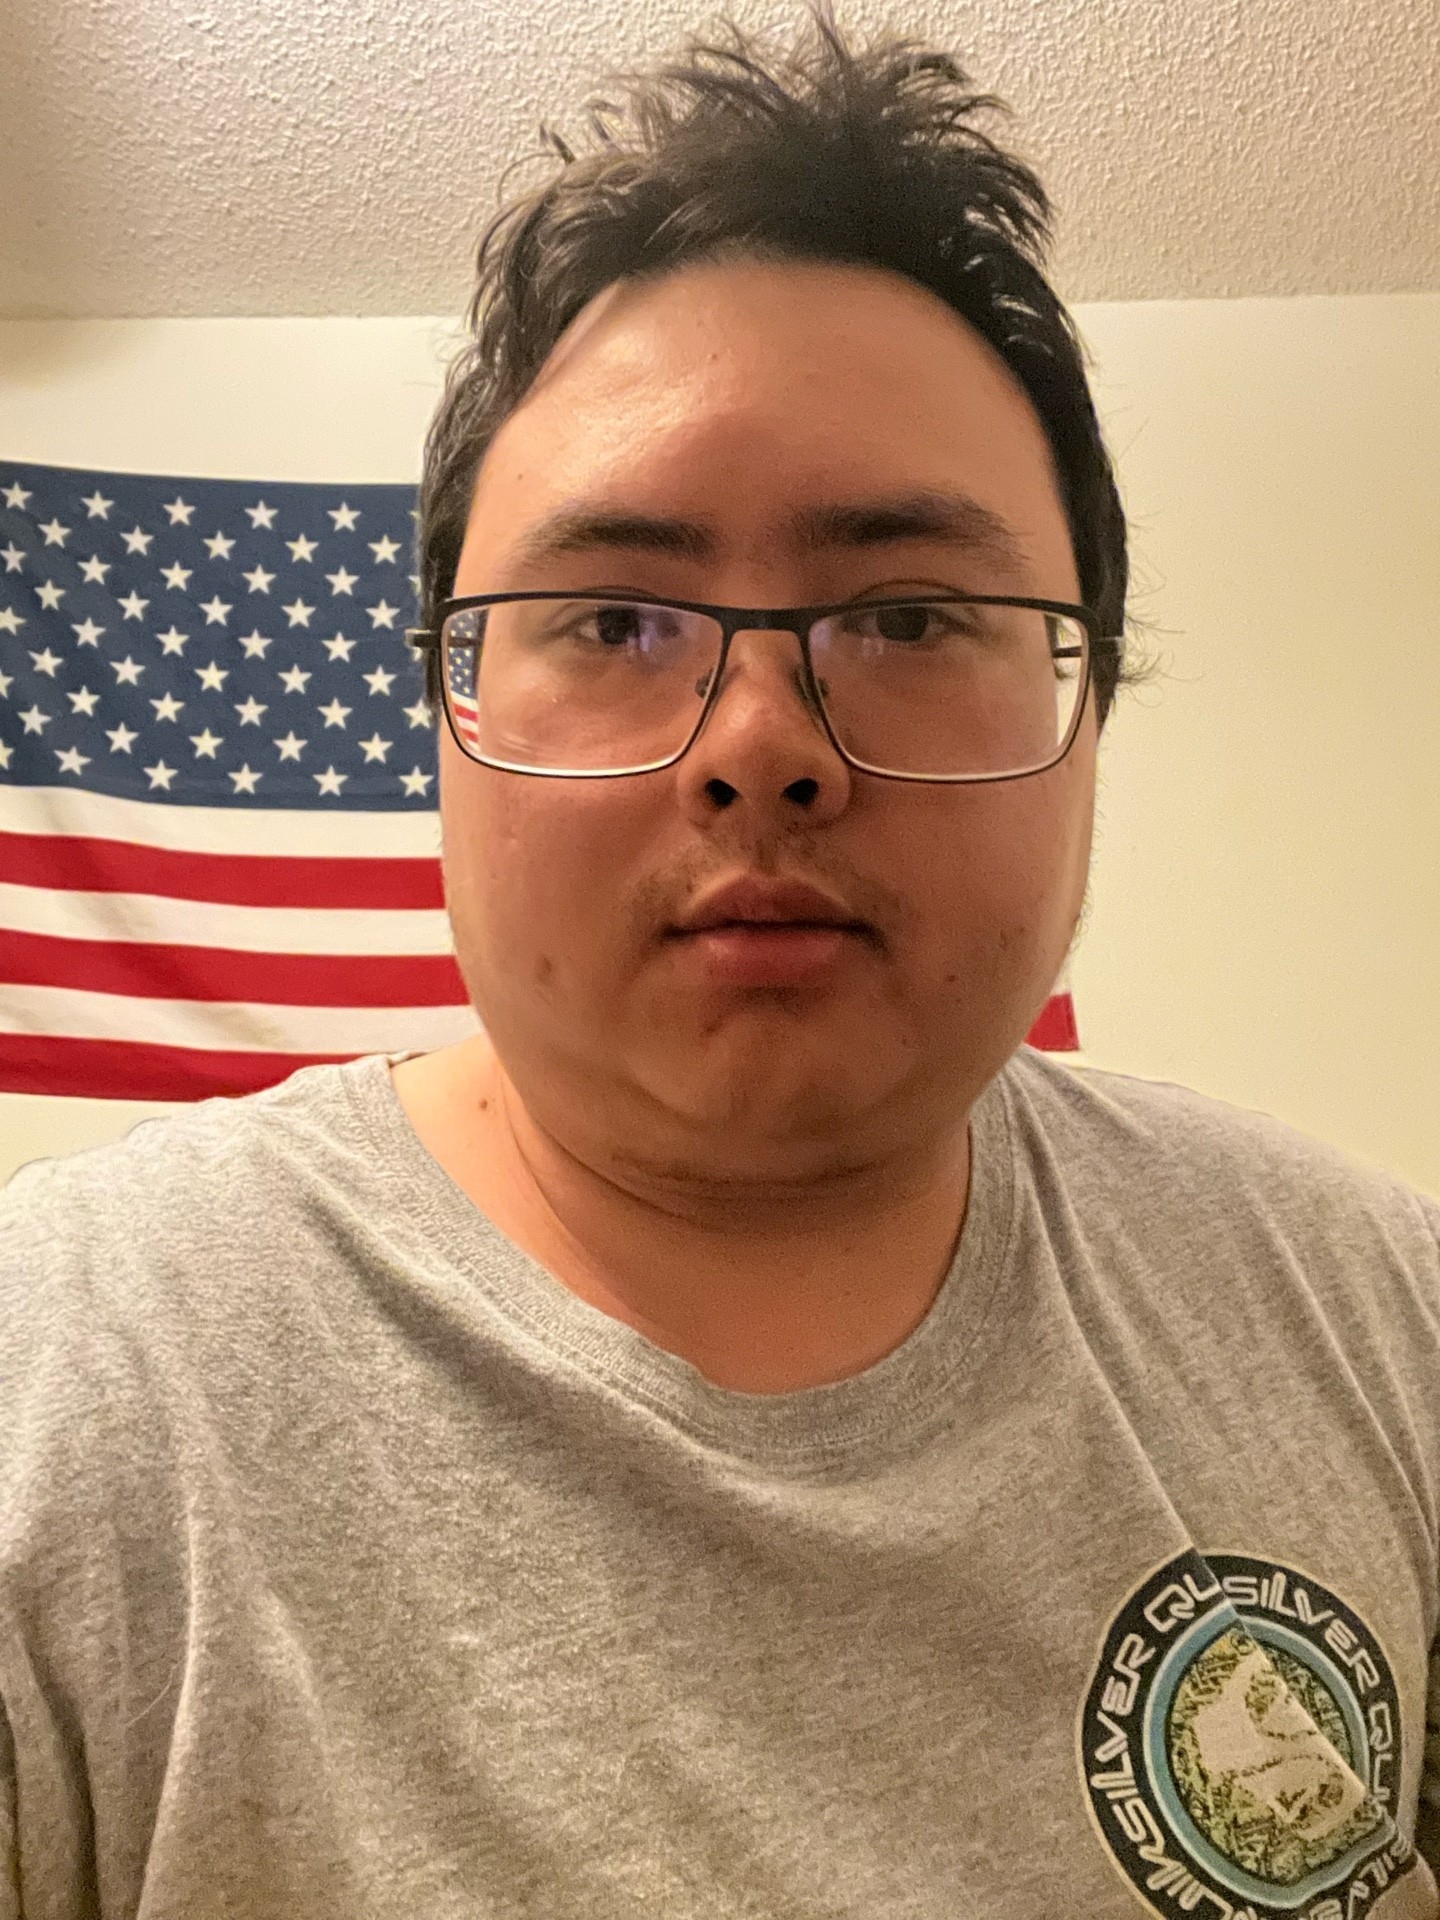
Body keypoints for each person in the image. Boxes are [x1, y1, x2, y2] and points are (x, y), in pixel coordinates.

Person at [3, 12, 1438, 1918]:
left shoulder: (1382, 1313)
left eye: (909, 614)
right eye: (614, 619)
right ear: (446, 718)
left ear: (1088, 710)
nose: (761, 745)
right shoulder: (55, 1387)